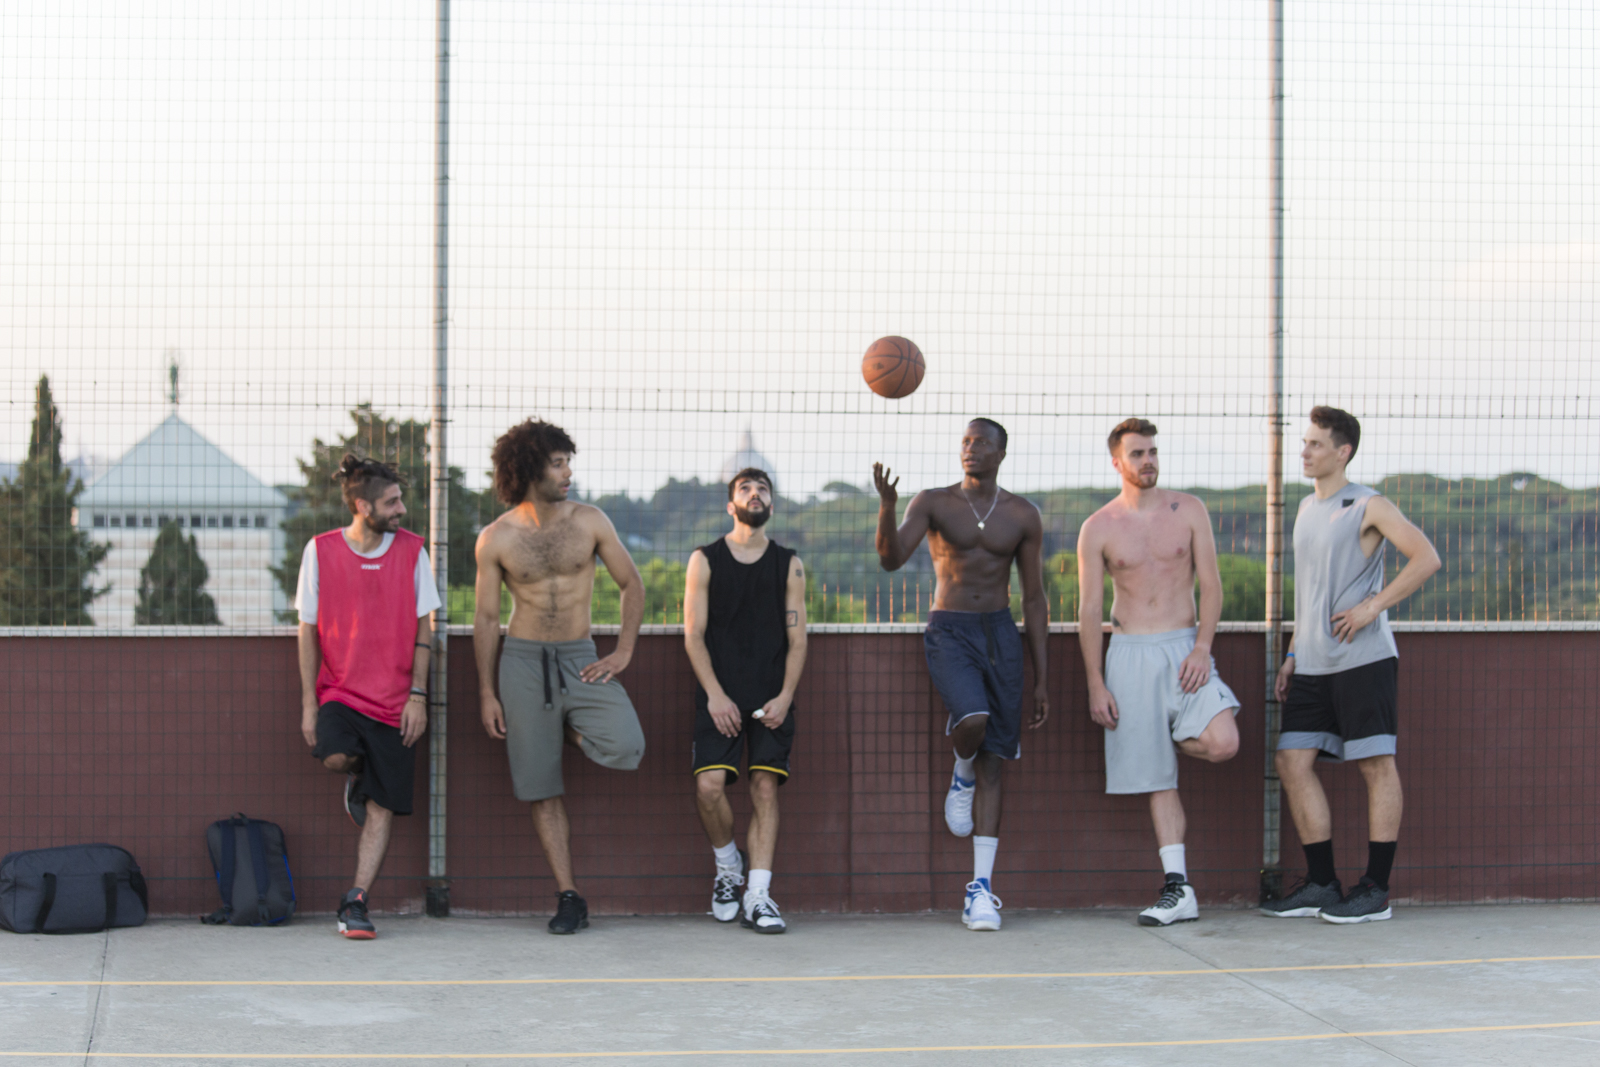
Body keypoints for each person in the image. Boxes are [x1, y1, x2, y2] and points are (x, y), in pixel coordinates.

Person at [1261, 406, 1440, 924]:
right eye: (1304, 442)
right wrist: (1293, 653)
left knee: (1375, 765)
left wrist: (1371, 607)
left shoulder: (1368, 504)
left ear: (1343, 452)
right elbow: (1310, 592)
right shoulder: (1305, 508)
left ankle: (1375, 890)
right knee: (1291, 762)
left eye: (1315, 444)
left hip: (1364, 661)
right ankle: (1322, 884)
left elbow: (1426, 558)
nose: (1304, 451)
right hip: (1312, 664)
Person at [473, 419, 648, 935]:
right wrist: (486, 692)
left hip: (580, 658)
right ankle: (569, 895)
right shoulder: (496, 538)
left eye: (568, 462)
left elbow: (631, 583)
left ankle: (562, 732)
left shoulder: (590, 521)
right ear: (530, 469)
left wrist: (624, 651)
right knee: (540, 786)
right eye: (558, 464)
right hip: (523, 662)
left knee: (627, 746)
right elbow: (486, 618)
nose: (568, 472)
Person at [874, 419, 1049, 931]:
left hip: (1000, 632)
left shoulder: (1022, 514)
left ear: (1001, 454)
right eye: (966, 442)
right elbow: (890, 560)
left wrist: (1042, 678)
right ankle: (960, 768)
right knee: (972, 719)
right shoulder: (933, 502)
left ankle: (981, 890)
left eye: (982, 443)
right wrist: (887, 506)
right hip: (949, 629)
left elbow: (1034, 598)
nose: (971, 449)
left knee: (997, 760)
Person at [1076, 419, 1241, 926]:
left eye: (1152, 451)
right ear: (1117, 462)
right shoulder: (1098, 527)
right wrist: (1095, 683)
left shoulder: (1188, 510)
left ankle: (1164, 741)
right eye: (1137, 454)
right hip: (1129, 655)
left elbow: (1211, 585)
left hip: (1185, 648)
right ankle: (1178, 888)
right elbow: (1089, 610)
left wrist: (1202, 647)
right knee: (1156, 779)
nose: (1148, 460)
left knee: (1223, 742)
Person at [296, 455, 439, 940]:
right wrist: (309, 702)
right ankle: (359, 777)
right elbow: (307, 628)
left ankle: (356, 901)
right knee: (334, 755)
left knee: (382, 809)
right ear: (362, 506)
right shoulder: (320, 550)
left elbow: (425, 626)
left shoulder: (413, 550)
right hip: (341, 693)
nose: (401, 509)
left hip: (397, 703)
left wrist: (418, 695)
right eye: (392, 502)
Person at [684, 468, 808, 934]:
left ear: (771, 506)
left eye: (763, 489)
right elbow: (693, 636)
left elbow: (798, 640)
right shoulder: (705, 559)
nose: (754, 494)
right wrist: (715, 696)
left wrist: (785, 696)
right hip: (721, 695)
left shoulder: (789, 564)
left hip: (771, 697)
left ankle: (758, 896)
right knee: (709, 787)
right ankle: (727, 866)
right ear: (730, 505)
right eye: (745, 489)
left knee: (764, 788)